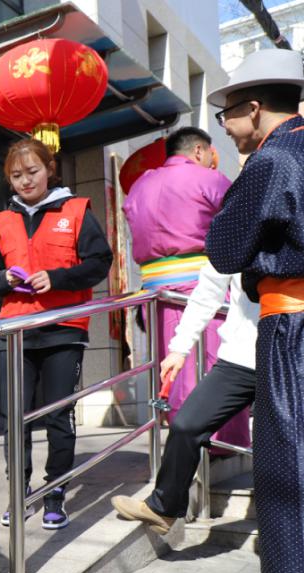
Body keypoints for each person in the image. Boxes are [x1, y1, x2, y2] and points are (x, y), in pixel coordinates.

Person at [203, 48, 304, 573]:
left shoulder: (272, 160)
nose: (226, 128)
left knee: (289, 455)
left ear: (255, 108)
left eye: (228, 115)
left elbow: (223, 248)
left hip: (293, 324)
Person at [0, 138, 113, 530]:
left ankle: (55, 493)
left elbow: (99, 262)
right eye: (16, 175)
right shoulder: (1, 221)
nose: (25, 181)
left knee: (58, 416)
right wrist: (4, 279)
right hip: (15, 331)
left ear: (49, 170)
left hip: (63, 330)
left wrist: (56, 278)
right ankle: (18, 493)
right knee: (15, 418)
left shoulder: (76, 210)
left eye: (32, 172)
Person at [122, 127, 250, 449]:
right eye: (209, 154)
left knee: (172, 367)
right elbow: (240, 224)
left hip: (155, 292)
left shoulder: (140, 185)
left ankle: (181, 442)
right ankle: (216, 445)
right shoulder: (210, 179)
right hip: (203, 287)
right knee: (214, 367)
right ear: (198, 151)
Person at [112, 262, 258, 530]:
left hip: (292, 355)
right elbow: (208, 292)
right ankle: (163, 508)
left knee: (282, 445)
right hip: (240, 357)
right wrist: (179, 348)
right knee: (187, 424)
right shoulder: (234, 236)